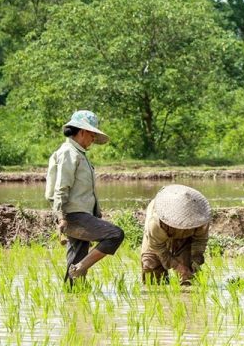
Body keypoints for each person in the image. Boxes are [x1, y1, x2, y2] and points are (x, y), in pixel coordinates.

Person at [45, 110, 124, 283]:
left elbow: (84, 191)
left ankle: (72, 296)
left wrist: (96, 212)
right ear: (82, 132)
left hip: (81, 214)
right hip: (72, 215)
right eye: (92, 134)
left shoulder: (78, 153)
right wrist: (61, 217)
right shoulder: (68, 153)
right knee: (115, 235)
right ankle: (79, 269)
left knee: (77, 255)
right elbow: (61, 187)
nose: (94, 139)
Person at [141, 185, 212, 286]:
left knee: (188, 272)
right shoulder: (156, 223)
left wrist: (195, 261)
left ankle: (186, 298)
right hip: (158, 239)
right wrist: (177, 266)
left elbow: (200, 241)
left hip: (186, 238)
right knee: (151, 266)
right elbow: (158, 249)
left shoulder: (201, 219)